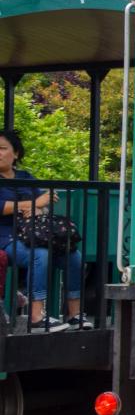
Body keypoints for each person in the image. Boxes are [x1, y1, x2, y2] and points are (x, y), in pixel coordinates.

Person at [0, 130, 87, 332]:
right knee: (39, 255)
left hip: (31, 235)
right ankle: (36, 316)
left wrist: (36, 207)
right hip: (5, 237)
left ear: (16, 153)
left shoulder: (25, 177)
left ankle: (74, 314)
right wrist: (32, 204)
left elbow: (43, 205)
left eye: (2, 148)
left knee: (73, 256)